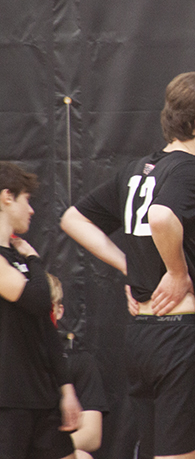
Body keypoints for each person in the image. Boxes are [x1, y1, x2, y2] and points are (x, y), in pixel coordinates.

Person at [61, 71, 195, 459]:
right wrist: (177, 273)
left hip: (142, 335)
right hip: (179, 336)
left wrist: (132, 266)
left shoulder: (136, 169)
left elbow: (72, 219)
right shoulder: (189, 168)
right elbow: (161, 217)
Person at [0, 161, 81, 459]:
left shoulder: (18, 255)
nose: (32, 210)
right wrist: (34, 260)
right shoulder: (21, 259)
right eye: (27, 200)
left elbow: (46, 327)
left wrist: (66, 389)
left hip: (42, 397)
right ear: (6, 197)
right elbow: (37, 299)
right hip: (7, 401)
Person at [47, 273, 109, 459]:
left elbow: (91, 436)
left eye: (47, 308)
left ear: (59, 310)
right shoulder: (11, 361)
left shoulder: (79, 362)